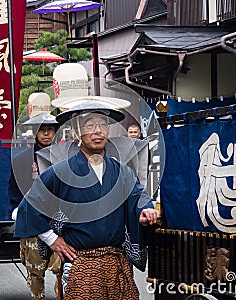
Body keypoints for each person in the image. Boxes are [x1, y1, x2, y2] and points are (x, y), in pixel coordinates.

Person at [14, 101, 161, 299]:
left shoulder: (121, 171)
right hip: (80, 264)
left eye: (103, 125)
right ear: (77, 132)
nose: (98, 131)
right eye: (90, 125)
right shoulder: (60, 171)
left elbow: (138, 196)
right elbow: (29, 207)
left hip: (116, 263)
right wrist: (52, 240)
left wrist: (144, 211)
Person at [9, 112, 61, 300]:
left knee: (62, 267)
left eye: (50, 130)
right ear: (36, 133)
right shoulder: (22, 160)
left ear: (55, 132)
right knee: (35, 268)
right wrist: (17, 208)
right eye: (43, 130)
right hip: (32, 217)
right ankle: (37, 296)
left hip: (58, 219)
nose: (46, 134)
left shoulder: (65, 158)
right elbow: (15, 188)